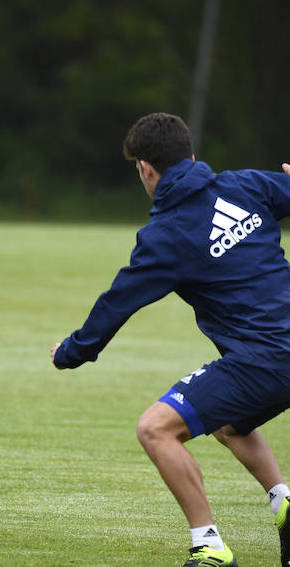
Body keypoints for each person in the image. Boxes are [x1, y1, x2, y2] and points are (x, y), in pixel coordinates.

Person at [51, 112, 290, 566]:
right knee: (229, 423)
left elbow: (117, 303)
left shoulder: (166, 235)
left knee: (156, 428)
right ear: (192, 155)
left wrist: (72, 351)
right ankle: (283, 501)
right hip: (278, 355)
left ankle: (210, 547)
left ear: (145, 168)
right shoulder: (247, 186)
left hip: (264, 363)